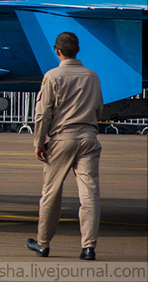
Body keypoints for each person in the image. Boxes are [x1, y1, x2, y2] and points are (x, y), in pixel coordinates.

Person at [27, 32, 103, 261]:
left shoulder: (52, 76)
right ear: (78, 50)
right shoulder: (92, 76)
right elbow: (99, 108)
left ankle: (43, 243)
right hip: (88, 138)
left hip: (62, 138)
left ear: (56, 50)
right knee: (89, 194)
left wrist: (39, 142)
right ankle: (88, 247)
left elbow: (43, 113)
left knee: (51, 193)